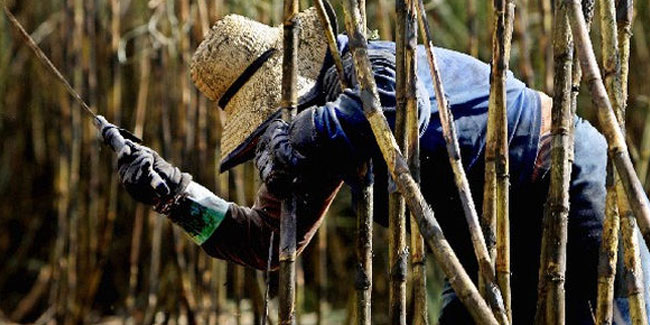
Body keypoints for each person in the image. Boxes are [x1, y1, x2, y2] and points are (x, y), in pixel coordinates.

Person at [103, 6, 650, 324]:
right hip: (475, 241)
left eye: (270, 121)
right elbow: (271, 242)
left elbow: (388, 113)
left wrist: (302, 132)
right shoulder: (307, 134)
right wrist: (176, 197)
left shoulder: (372, 68)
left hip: (563, 180)